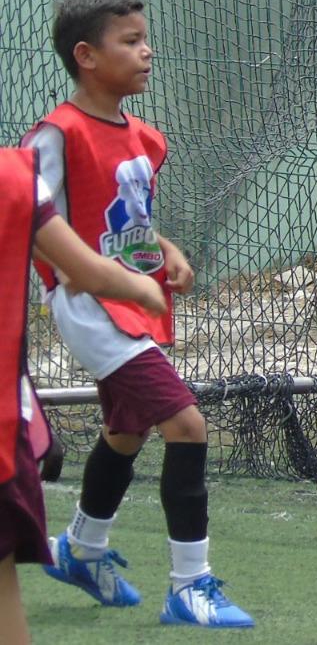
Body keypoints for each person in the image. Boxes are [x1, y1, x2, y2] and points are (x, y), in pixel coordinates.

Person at [25, 0, 254, 628]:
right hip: (90, 306)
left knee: (127, 430)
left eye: (145, 38)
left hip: (136, 302)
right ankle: (190, 585)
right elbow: (33, 217)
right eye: (129, 41)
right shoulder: (56, 135)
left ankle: (81, 547)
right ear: (86, 57)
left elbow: (128, 223)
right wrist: (86, 276)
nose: (147, 50)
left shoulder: (145, 139)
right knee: (187, 424)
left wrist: (166, 249)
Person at [2, 144, 169, 645]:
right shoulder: (16, 175)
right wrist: (141, 290)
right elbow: (86, 269)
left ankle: (86, 543)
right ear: (85, 59)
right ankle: (186, 575)